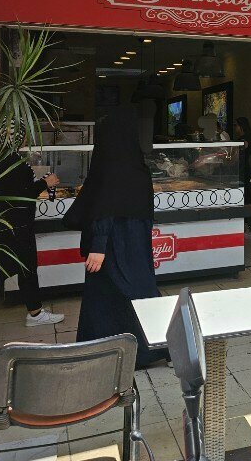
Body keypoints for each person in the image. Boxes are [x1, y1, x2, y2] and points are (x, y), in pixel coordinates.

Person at [66, 105, 167, 368]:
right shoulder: (137, 167)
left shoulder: (111, 167)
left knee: (112, 296)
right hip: (135, 242)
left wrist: (98, 245)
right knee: (138, 291)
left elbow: (105, 206)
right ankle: (147, 347)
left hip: (112, 243)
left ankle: (109, 348)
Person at [0, 150, 64, 327]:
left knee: (23, 269)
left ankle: (35, 312)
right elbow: (21, 195)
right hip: (17, 225)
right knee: (15, 268)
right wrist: (45, 183)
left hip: (7, 223)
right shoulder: (10, 160)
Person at [233, 116, 251, 182]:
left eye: (236, 125)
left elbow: (236, 154)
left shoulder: (244, 139)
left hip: (242, 170)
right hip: (243, 168)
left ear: (241, 126)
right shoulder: (247, 138)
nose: (234, 127)